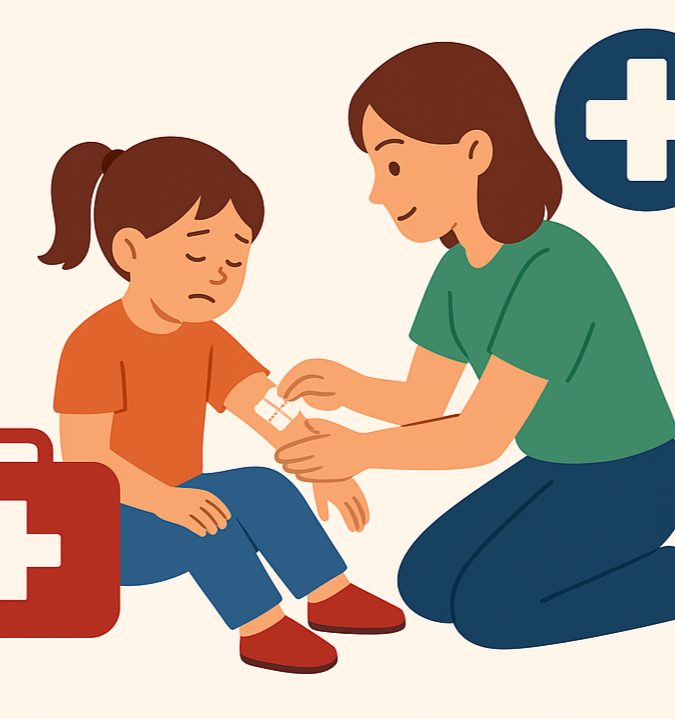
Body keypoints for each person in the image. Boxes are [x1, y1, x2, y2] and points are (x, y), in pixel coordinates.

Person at [275, 42, 675, 649]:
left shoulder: (557, 268)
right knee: (426, 586)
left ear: (474, 150)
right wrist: (350, 390)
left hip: (634, 481)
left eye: (396, 165)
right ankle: (622, 572)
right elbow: (422, 400)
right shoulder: (457, 272)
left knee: (492, 616)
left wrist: (359, 451)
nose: (378, 193)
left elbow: (479, 437)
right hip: (552, 468)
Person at [40, 137, 404, 673]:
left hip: (182, 501)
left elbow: (264, 408)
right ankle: (261, 628)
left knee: (262, 485)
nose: (218, 273)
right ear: (130, 251)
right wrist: (164, 500)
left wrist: (323, 463)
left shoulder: (205, 337)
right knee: (210, 518)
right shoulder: (94, 344)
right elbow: (88, 463)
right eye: (195, 253)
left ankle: (328, 594)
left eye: (235, 259)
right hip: (109, 530)